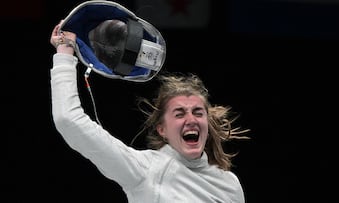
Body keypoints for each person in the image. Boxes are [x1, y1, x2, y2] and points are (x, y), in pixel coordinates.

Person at [50, 21, 249, 203]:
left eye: (198, 112)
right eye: (179, 114)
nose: (191, 120)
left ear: (207, 121)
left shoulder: (229, 185)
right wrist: (64, 53)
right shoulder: (144, 170)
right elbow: (68, 120)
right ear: (162, 129)